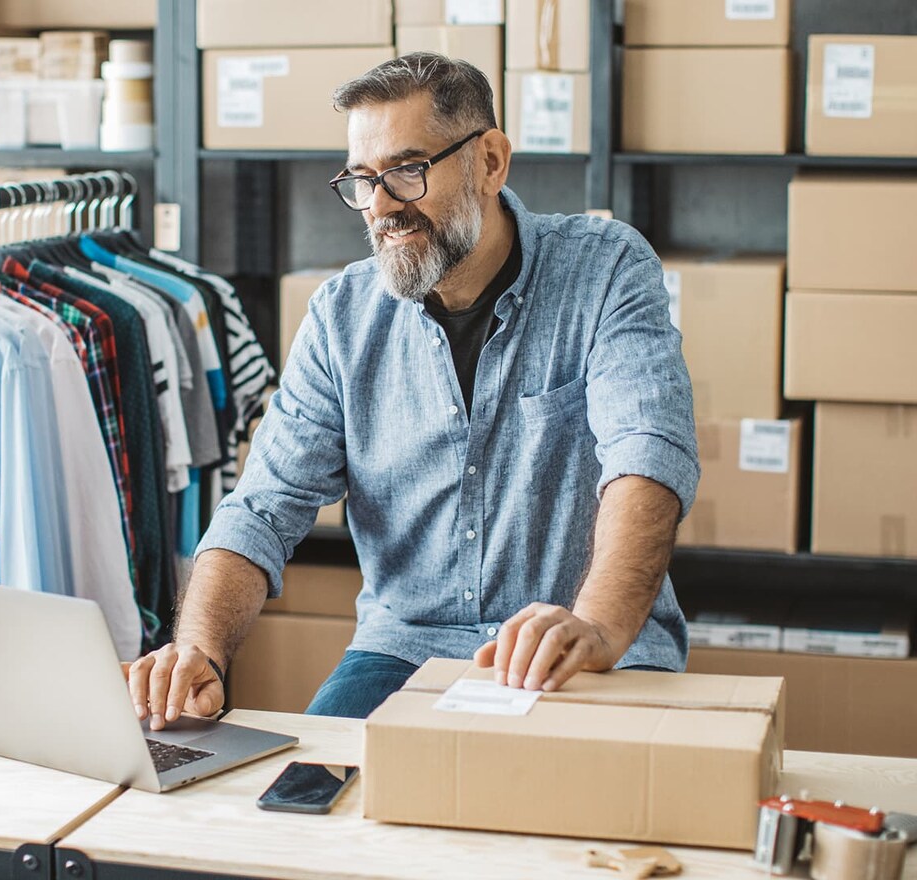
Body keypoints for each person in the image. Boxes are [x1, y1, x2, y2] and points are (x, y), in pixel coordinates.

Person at [129, 52, 698, 726]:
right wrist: (198, 648)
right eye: (362, 181)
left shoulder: (605, 270)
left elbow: (647, 457)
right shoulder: (342, 316)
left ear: (490, 161)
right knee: (307, 805)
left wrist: (599, 624)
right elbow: (262, 507)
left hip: (579, 648)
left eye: (406, 171)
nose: (380, 207)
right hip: (404, 654)